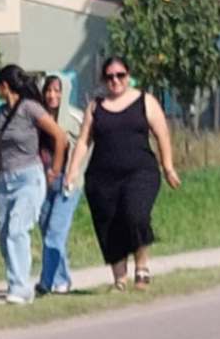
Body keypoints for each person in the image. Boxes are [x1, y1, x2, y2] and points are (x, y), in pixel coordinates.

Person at [64, 56, 180, 289]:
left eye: (120, 75)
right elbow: (84, 141)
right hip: (101, 177)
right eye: (110, 77)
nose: (115, 80)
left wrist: (168, 166)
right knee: (108, 224)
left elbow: (162, 134)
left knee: (136, 215)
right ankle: (119, 279)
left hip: (140, 172)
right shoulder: (95, 107)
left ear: (128, 76)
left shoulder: (145, 101)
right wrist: (72, 171)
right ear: (104, 79)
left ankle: (142, 267)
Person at [0, 64, 65, 306]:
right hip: (4, 180)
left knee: (18, 228)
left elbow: (59, 137)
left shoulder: (30, 109)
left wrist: (55, 170)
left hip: (29, 177)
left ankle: (19, 288)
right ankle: (17, 281)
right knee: (3, 232)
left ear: (4, 86)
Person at [37, 73, 84, 297]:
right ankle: (61, 278)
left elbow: (86, 146)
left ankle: (47, 282)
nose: (52, 95)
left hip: (68, 183)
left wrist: (74, 174)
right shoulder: (40, 117)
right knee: (48, 231)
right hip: (44, 182)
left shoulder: (75, 118)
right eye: (48, 90)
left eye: (57, 90)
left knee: (55, 232)